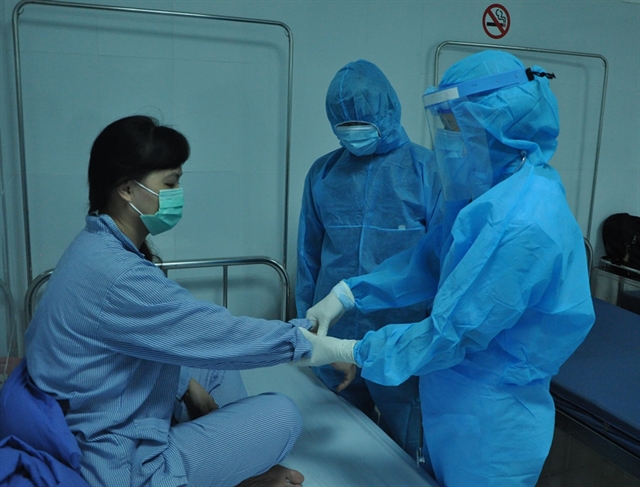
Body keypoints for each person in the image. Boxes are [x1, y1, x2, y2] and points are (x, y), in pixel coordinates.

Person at [305, 50, 596, 486]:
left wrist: (353, 351)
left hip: (492, 421)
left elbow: (452, 332)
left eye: (456, 126)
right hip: (458, 400)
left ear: (497, 127)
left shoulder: (521, 221)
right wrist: (350, 292)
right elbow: (427, 259)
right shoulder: (492, 195)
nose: (450, 140)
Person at [19, 115, 352, 487]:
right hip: (116, 461)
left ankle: (232, 463)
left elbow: (164, 338)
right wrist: (311, 343)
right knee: (282, 415)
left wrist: (186, 385)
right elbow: (216, 332)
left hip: (91, 407)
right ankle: (237, 477)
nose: (177, 194)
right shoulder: (119, 275)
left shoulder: (94, 245)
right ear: (127, 189)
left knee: (212, 369)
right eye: (170, 183)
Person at [295, 59, 441, 457]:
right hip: (334, 335)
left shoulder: (428, 170)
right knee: (341, 450)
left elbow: (443, 263)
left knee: (404, 449)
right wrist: (308, 327)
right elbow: (308, 258)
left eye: (361, 121)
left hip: (401, 337)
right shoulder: (323, 174)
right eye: (344, 123)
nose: (353, 131)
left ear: (388, 110)